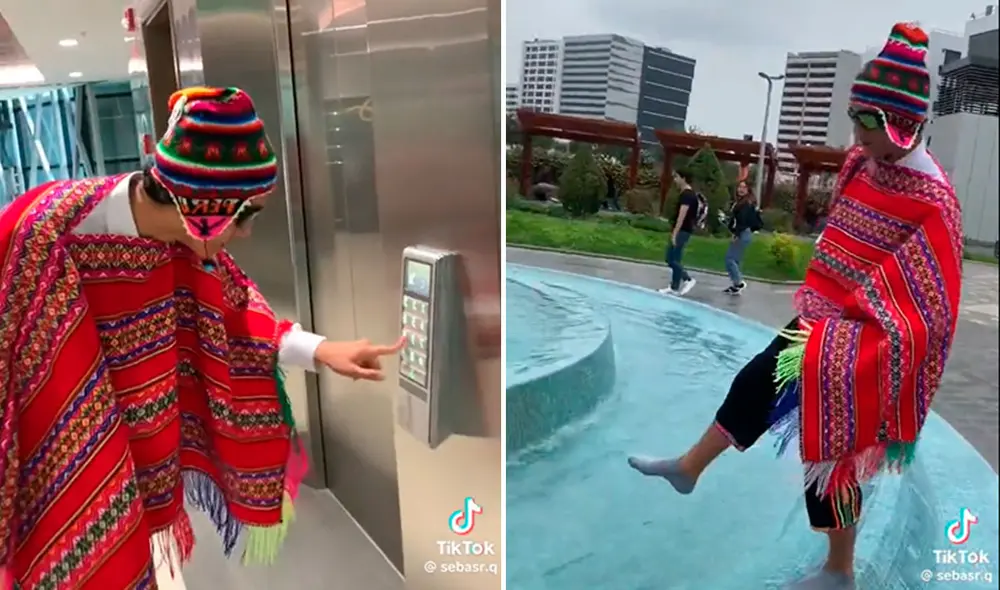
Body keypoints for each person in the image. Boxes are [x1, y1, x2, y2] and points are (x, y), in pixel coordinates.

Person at [0, 87, 405, 589]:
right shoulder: (41, 232)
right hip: (55, 455)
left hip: (147, 452)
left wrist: (320, 350)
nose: (248, 233)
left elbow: (234, 314)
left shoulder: (192, 245)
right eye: (248, 214)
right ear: (205, 209)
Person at [629, 23, 963, 590]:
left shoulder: (933, 200)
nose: (857, 135)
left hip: (871, 336)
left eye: (867, 124)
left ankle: (840, 569)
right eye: (856, 120)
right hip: (825, 318)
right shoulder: (866, 162)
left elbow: (933, 292)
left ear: (900, 125)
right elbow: (848, 232)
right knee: (756, 381)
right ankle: (689, 468)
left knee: (832, 447)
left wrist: (858, 318)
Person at [658, 168, 700, 296]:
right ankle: (674, 287)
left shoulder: (687, 195)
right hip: (684, 230)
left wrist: (675, 232)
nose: (675, 180)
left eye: (676, 177)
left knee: (670, 258)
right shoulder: (688, 194)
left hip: (682, 230)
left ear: (683, 178)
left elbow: (682, 215)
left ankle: (688, 279)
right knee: (675, 258)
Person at [723, 181, 762, 295]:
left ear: (748, 190)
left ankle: (739, 282)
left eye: (744, 187)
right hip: (744, 232)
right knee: (735, 259)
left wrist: (736, 233)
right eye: (739, 187)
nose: (741, 189)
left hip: (742, 233)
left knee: (729, 259)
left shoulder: (746, 203)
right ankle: (735, 285)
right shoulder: (742, 202)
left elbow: (743, 221)